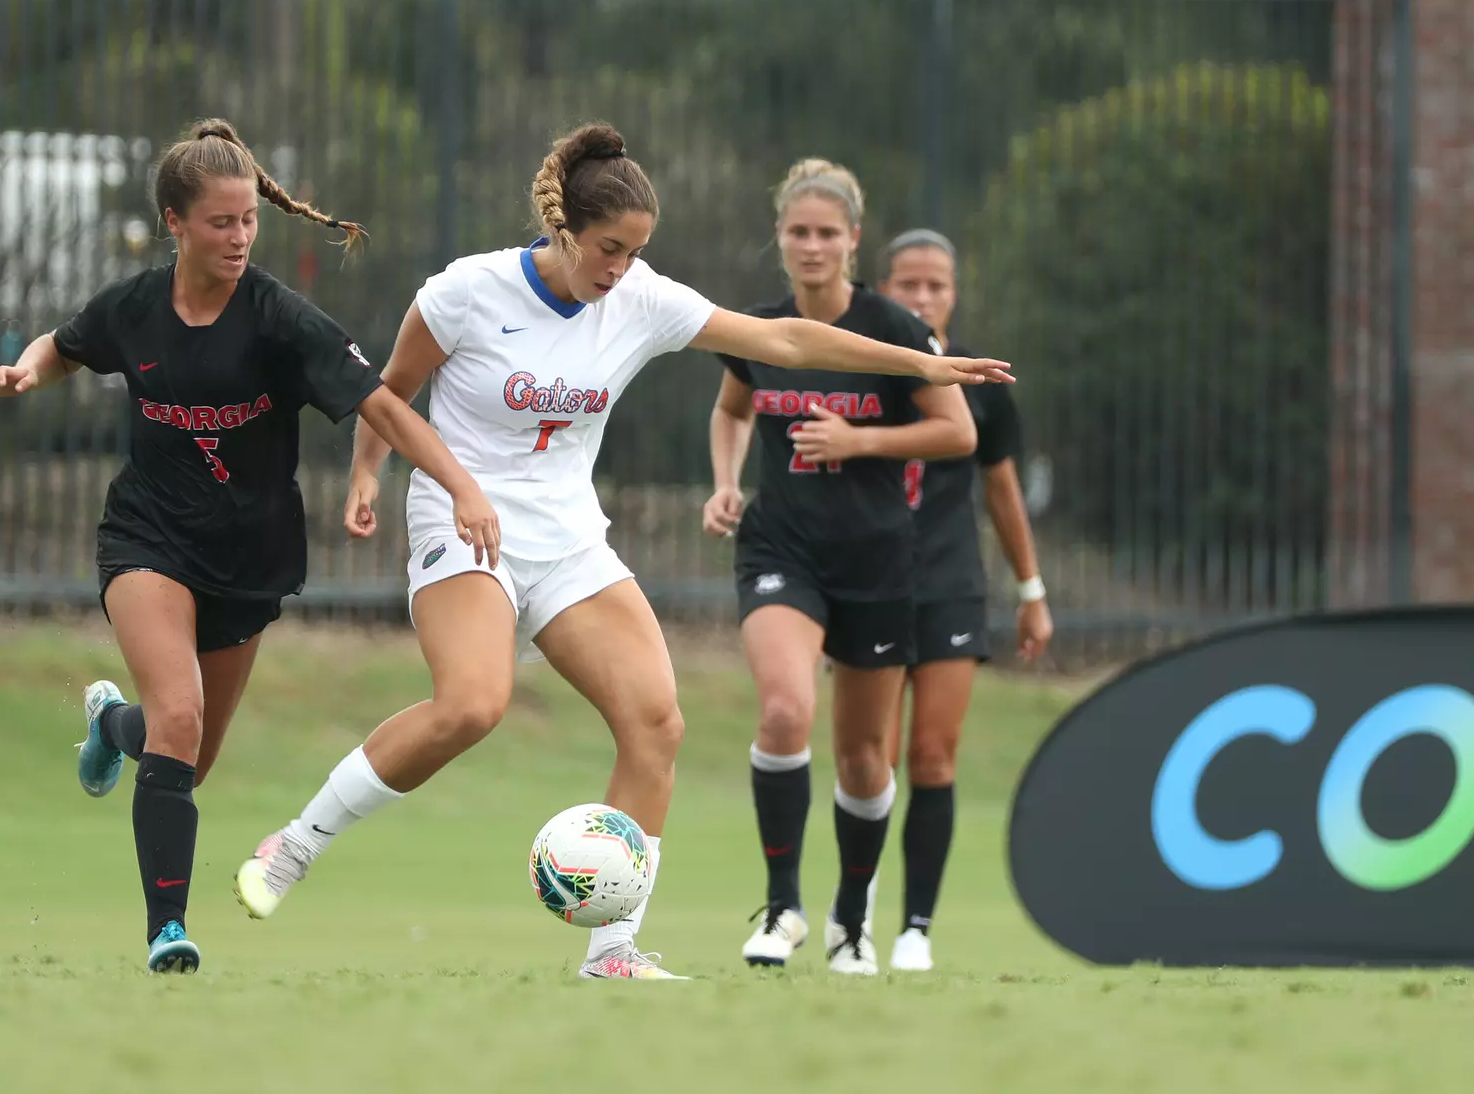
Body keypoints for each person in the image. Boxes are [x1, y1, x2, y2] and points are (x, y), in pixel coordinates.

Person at [228, 123, 1012, 981]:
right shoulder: (466, 292)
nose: (621, 270)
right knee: (474, 704)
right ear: (562, 232)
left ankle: (612, 953)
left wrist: (925, 367)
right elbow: (390, 393)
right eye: (609, 249)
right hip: (461, 519)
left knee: (656, 723)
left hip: (567, 534)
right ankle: (293, 846)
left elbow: (786, 341)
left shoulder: (640, 297)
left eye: (637, 251)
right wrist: (374, 476)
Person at [0, 119, 501, 975]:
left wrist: (462, 485)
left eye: (249, 221)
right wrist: (28, 370)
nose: (240, 237)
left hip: (250, 556)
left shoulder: (280, 319)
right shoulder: (135, 309)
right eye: (221, 222)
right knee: (180, 718)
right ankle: (168, 932)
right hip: (148, 535)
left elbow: (383, 405)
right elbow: (67, 347)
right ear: (175, 223)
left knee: (184, 747)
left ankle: (112, 726)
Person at [702, 160, 980, 976]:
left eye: (828, 232)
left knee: (865, 759)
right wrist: (725, 483)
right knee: (786, 711)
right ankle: (782, 907)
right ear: (779, 238)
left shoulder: (894, 327)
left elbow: (956, 431)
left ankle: (850, 919)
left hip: (880, 560)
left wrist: (860, 441)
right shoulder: (757, 329)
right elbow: (731, 409)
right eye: (798, 231)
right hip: (782, 550)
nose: (812, 245)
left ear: (854, 239)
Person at [876, 228, 1053, 972]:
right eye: (907, 284)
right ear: (884, 286)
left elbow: (1003, 492)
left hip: (950, 586)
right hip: (870, 584)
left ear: (954, 294)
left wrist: (1032, 591)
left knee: (933, 758)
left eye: (935, 286)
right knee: (870, 761)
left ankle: (917, 927)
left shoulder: (980, 381)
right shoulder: (862, 369)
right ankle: (854, 912)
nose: (921, 297)